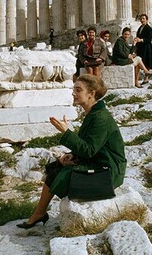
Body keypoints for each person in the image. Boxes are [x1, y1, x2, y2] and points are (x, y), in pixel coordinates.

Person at [17, 75, 126, 228]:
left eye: (78, 90)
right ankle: (39, 213)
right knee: (55, 167)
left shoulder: (100, 118)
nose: (73, 93)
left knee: (61, 174)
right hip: (99, 162)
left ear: (92, 93)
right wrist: (73, 155)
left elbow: (89, 150)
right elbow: (89, 146)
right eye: (74, 89)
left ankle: (39, 214)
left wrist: (66, 132)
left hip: (109, 172)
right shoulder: (93, 114)